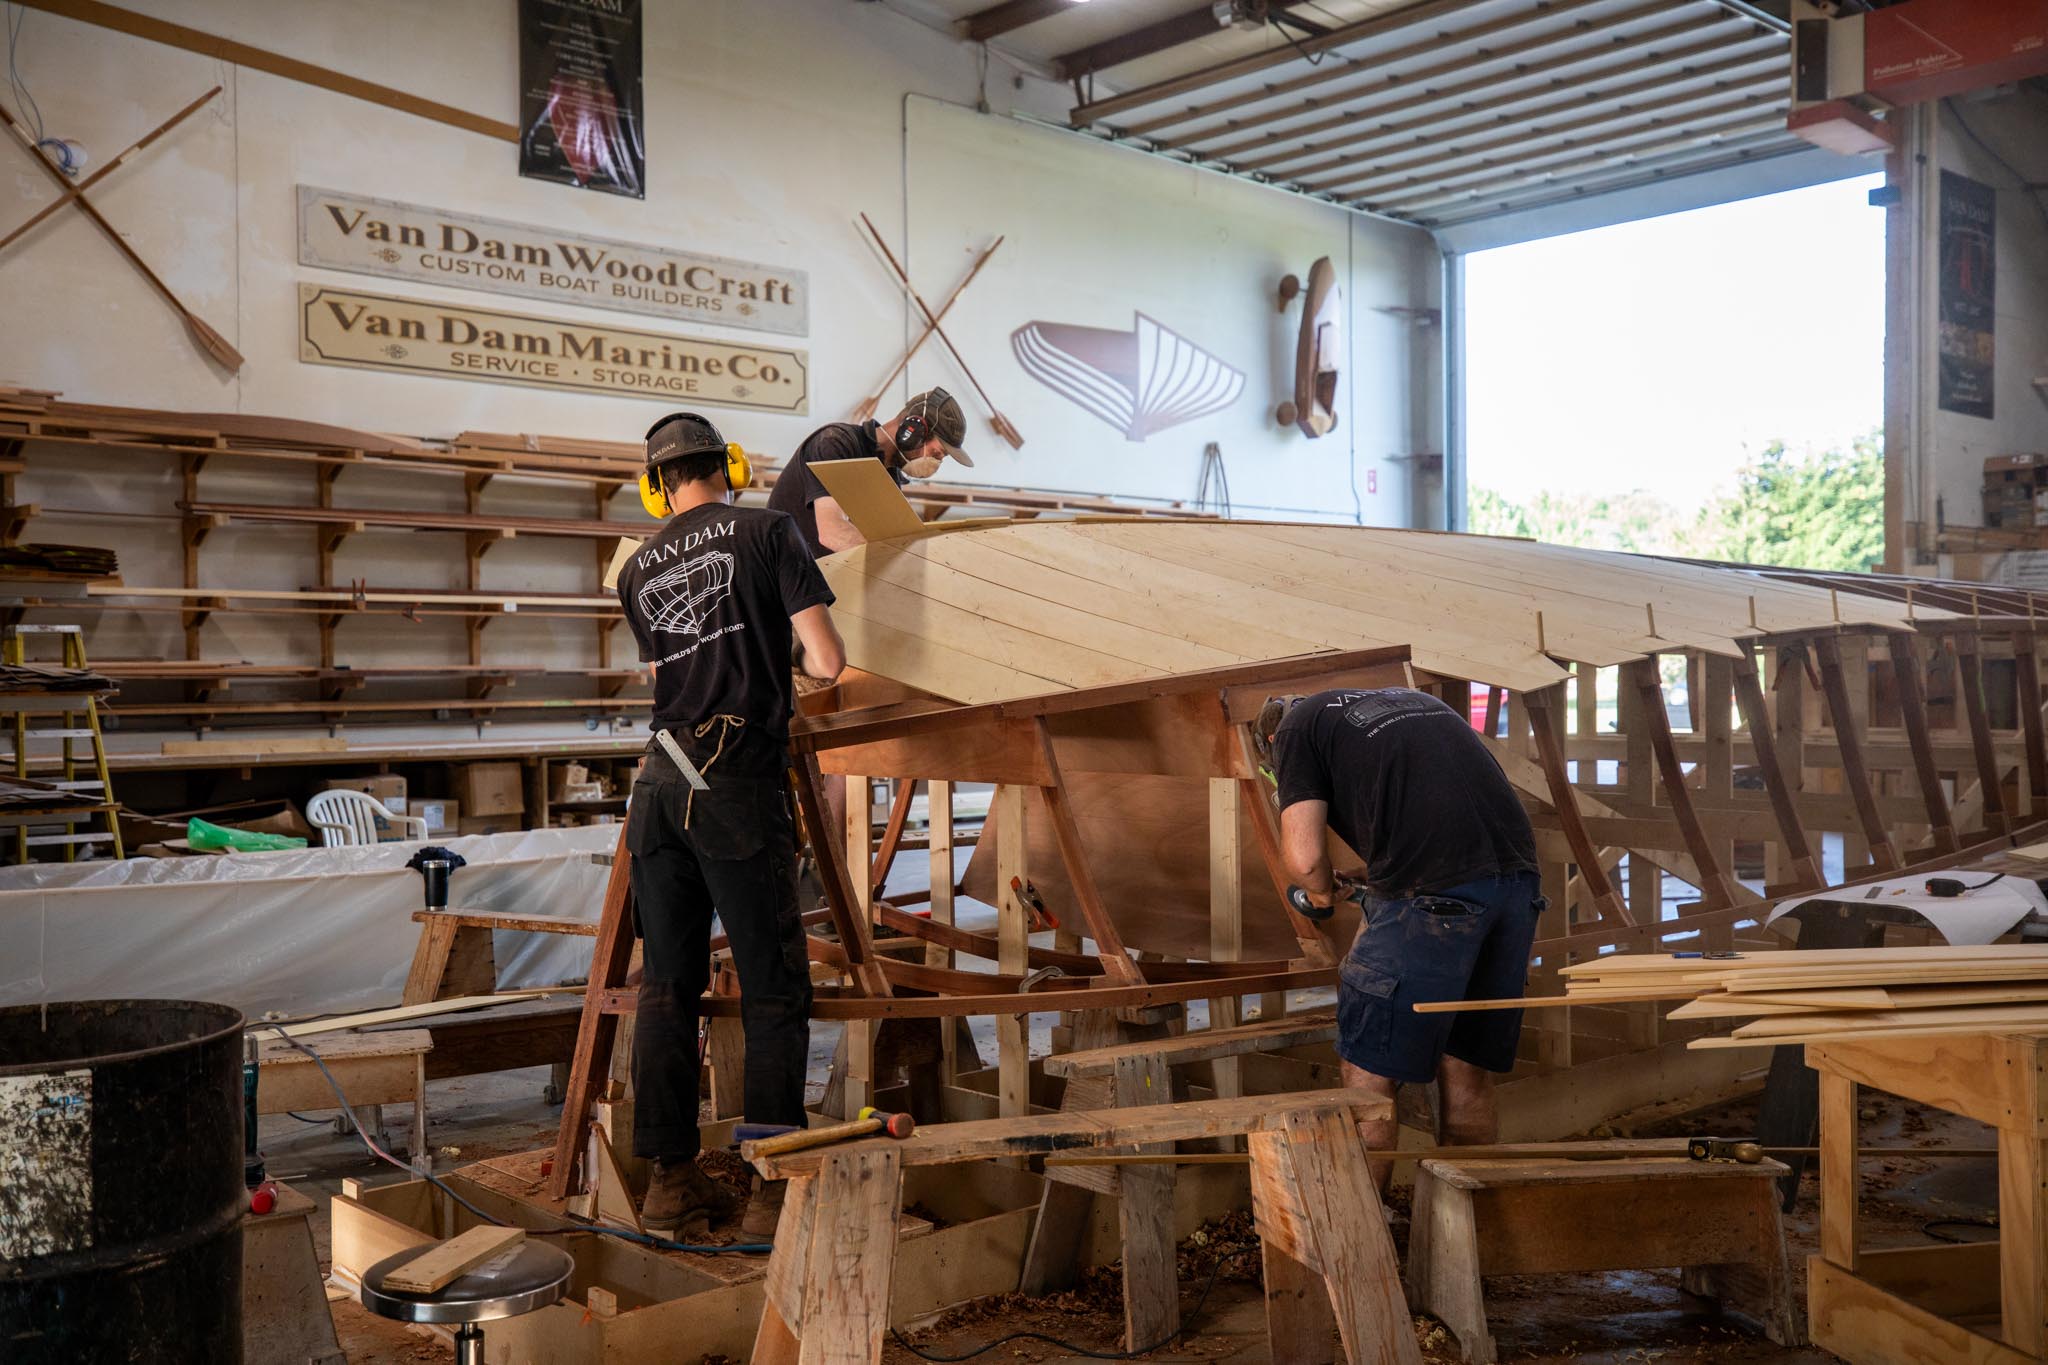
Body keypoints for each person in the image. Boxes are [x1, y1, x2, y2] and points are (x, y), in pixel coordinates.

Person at [615, 410, 847, 1239]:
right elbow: (827, 660)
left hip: (657, 785)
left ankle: (669, 1183)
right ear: (732, 467)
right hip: (735, 783)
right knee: (775, 988)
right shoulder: (767, 530)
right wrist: (776, 649)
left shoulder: (635, 569)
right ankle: (773, 1188)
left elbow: (671, 666)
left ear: (657, 488)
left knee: (667, 989)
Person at [1254, 688, 1543, 1187]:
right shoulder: (1409, 703)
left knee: (1369, 1082)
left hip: (1433, 898)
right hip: (1517, 889)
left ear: (1274, 743)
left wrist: (1320, 895)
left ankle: (1369, 1247)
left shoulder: (1295, 732)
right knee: (1467, 1069)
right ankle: (1473, 1235)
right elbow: (1439, 820)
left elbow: (1303, 861)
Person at [767, 386, 973, 558]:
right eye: (937, 453)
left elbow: (894, 542)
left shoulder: (888, 476)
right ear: (914, 431)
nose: (935, 463)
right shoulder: (835, 444)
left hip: (816, 585)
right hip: (780, 584)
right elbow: (833, 533)